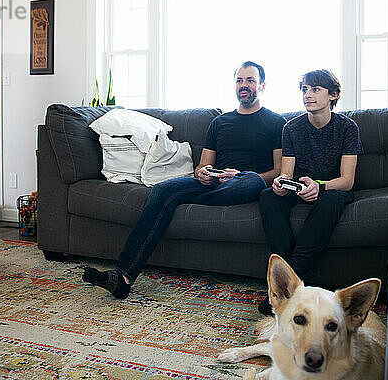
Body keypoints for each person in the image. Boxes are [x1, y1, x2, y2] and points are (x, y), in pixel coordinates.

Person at [83, 61, 286, 299]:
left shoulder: (275, 122)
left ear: (262, 86)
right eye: (240, 80)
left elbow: (278, 172)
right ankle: (123, 277)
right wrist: (203, 172)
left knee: (251, 181)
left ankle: (215, 191)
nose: (244, 86)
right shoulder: (219, 122)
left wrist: (240, 176)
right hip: (213, 183)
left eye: (250, 80)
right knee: (162, 190)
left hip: (245, 184)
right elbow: (204, 164)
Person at [258, 69, 363, 315]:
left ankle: (287, 285)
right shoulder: (292, 128)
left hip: (331, 188)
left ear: (333, 95)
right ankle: (287, 280)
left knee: (333, 200)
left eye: (315, 89)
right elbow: (286, 174)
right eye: (305, 89)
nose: (308, 94)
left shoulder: (348, 128)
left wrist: (320, 185)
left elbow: (347, 181)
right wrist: (281, 185)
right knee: (268, 196)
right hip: (300, 187)